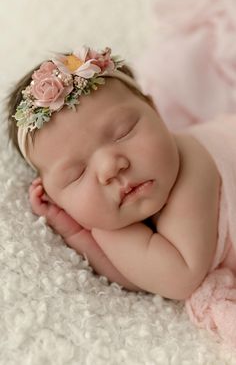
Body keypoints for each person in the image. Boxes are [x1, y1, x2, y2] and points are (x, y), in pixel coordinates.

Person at [6, 45, 221, 301]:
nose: (110, 167)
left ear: (155, 110)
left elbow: (178, 279)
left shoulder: (192, 163)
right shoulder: (135, 204)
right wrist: (77, 234)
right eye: (77, 173)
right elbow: (143, 278)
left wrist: (101, 228)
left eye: (123, 132)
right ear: (54, 197)